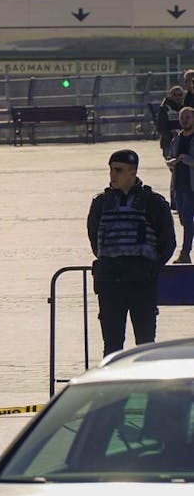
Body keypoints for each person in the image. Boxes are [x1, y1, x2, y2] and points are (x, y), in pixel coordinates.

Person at [87, 149, 175, 356]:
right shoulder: (101, 203)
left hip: (141, 283)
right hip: (109, 282)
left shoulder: (153, 203)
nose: (113, 175)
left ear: (133, 172)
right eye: (111, 169)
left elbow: (167, 242)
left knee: (145, 345)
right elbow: (95, 239)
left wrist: (150, 267)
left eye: (118, 170)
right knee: (112, 346)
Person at [167, 107, 194, 263]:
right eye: (182, 118)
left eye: (188, 117)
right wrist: (174, 162)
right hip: (178, 185)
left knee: (188, 220)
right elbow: (170, 158)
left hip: (191, 186)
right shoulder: (176, 139)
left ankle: (185, 253)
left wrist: (187, 159)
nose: (184, 120)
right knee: (184, 220)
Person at [156, 86, 184, 158]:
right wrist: (171, 135)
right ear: (170, 96)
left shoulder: (184, 109)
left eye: (180, 95)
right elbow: (160, 127)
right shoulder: (164, 109)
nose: (178, 97)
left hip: (182, 141)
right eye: (175, 95)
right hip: (168, 142)